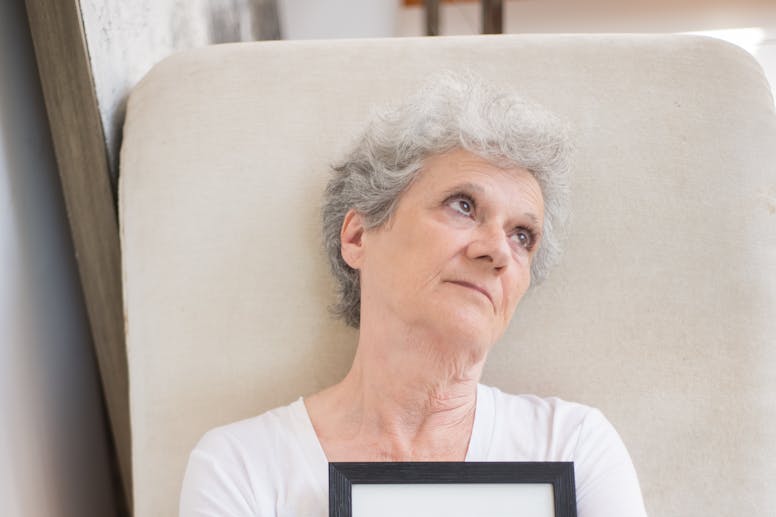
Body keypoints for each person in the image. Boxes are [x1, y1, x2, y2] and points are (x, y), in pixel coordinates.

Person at [179, 73, 648, 516]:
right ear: (359, 237)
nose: (498, 252)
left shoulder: (573, 446)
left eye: (523, 235)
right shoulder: (240, 467)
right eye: (463, 206)